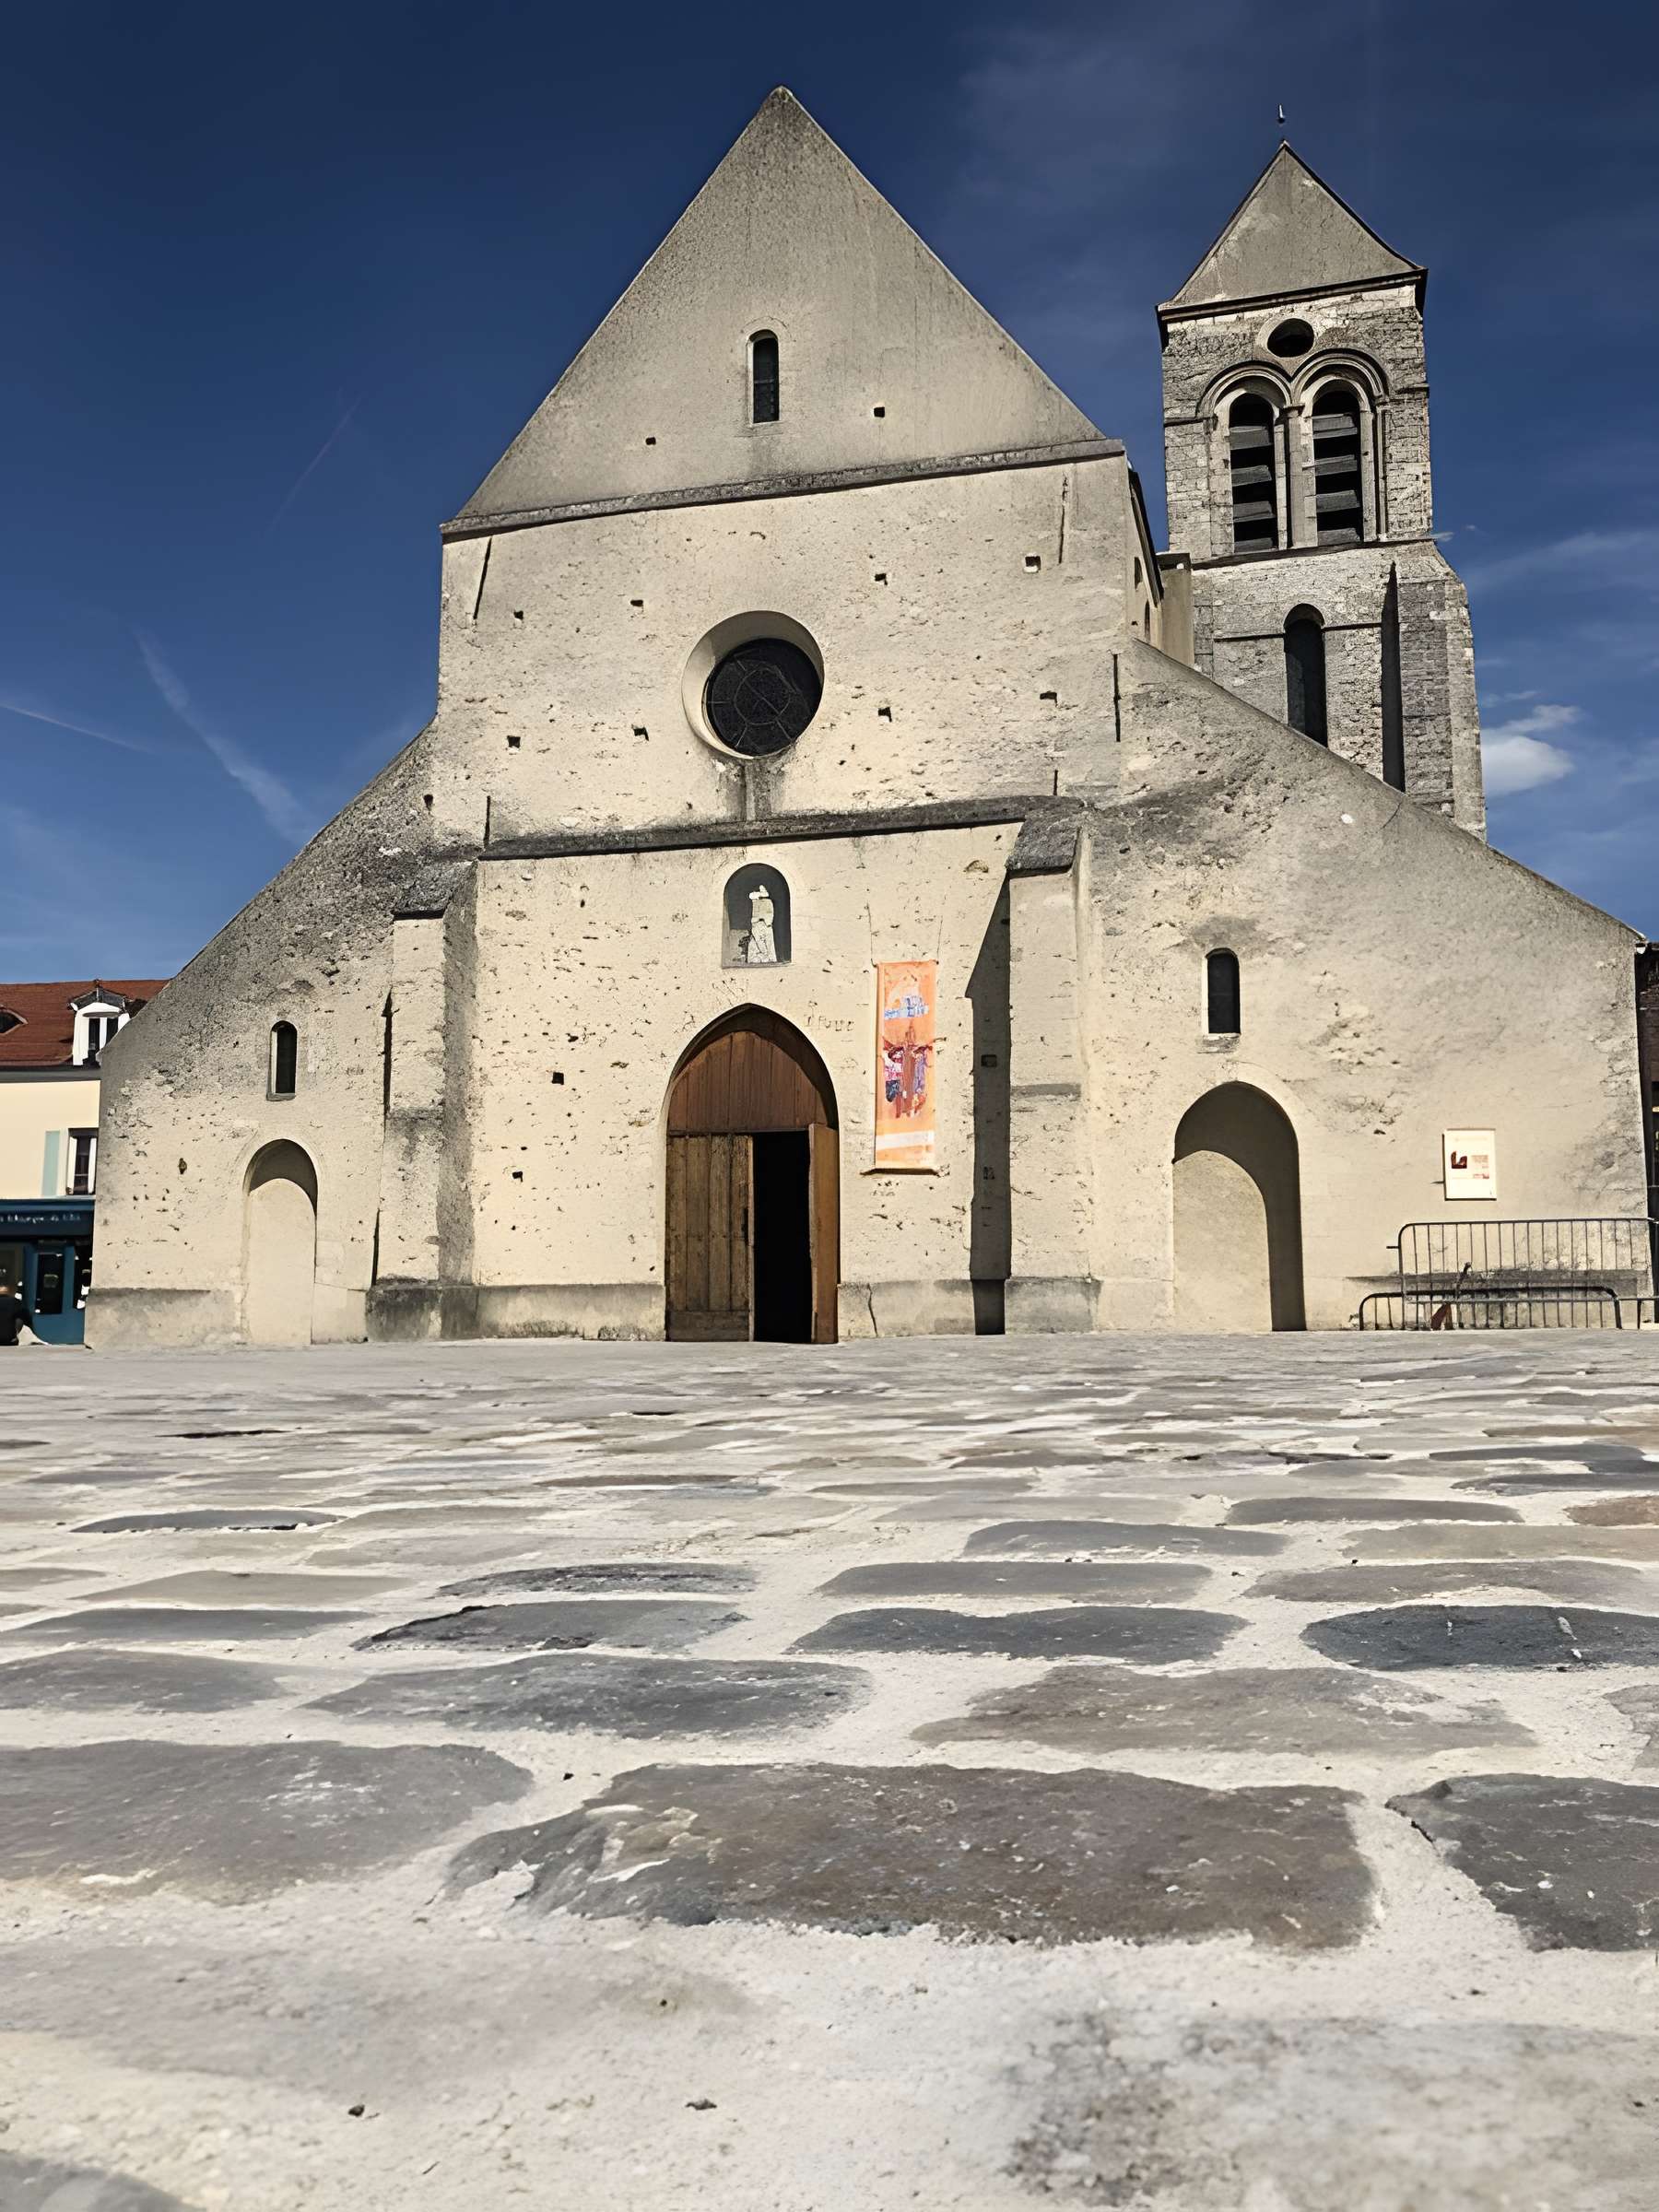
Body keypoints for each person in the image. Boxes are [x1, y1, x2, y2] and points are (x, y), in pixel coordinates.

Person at [0, 1275, 29, 1349]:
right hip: (9, 1339)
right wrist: (17, 1334)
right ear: (8, 1291)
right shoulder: (15, 1302)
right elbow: (21, 1319)